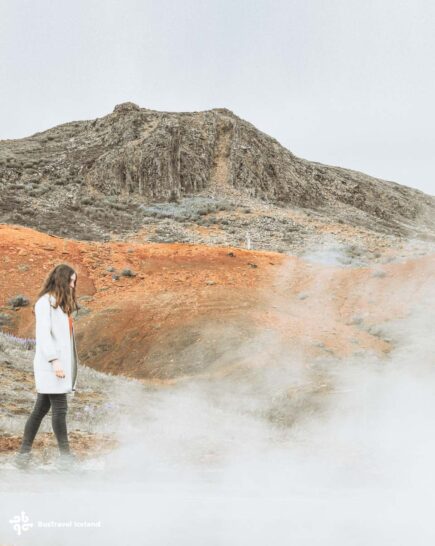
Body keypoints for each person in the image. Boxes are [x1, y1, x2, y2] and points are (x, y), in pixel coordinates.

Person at [14, 264, 80, 470]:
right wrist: (55, 361)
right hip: (51, 365)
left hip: (58, 367)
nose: (73, 285)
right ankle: (65, 458)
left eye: (74, 281)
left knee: (41, 408)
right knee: (60, 408)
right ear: (61, 280)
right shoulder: (45, 304)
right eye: (71, 281)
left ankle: (23, 455)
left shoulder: (59, 305)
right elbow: (43, 336)